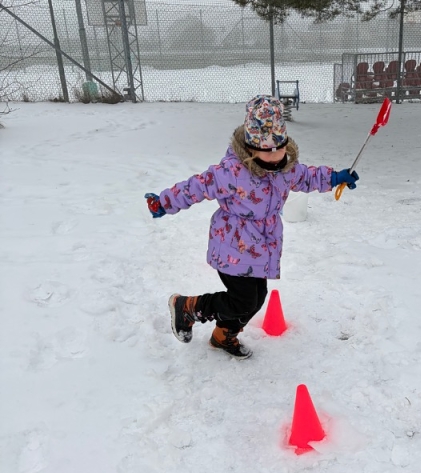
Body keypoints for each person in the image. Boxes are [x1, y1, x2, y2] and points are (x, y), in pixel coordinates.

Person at [145, 95, 359, 359]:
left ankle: (224, 335)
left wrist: (335, 177)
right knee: (243, 300)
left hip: (262, 247)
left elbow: (308, 176)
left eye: (280, 148)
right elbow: (196, 186)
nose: (276, 156)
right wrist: (164, 203)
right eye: (267, 151)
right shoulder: (231, 172)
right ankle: (187, 306)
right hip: (232, 245)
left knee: (256, 299)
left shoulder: (285, 168)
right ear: (250, 147)